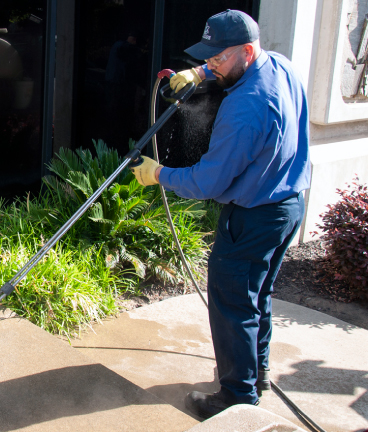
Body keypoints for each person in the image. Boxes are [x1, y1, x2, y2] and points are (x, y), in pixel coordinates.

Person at [129, 10, 310, 420]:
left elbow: (208, 182)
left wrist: (157, 173)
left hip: (253, 218)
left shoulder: (246, 108)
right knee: (256, 297)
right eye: (207, 59)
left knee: (231, 306)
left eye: (218, 59)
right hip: (287, 207)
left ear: (246, 50)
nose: (212, 65)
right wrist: (200, 75)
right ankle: (256, 372)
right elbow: (230, 71)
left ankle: (237, 399)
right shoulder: (276, 64)